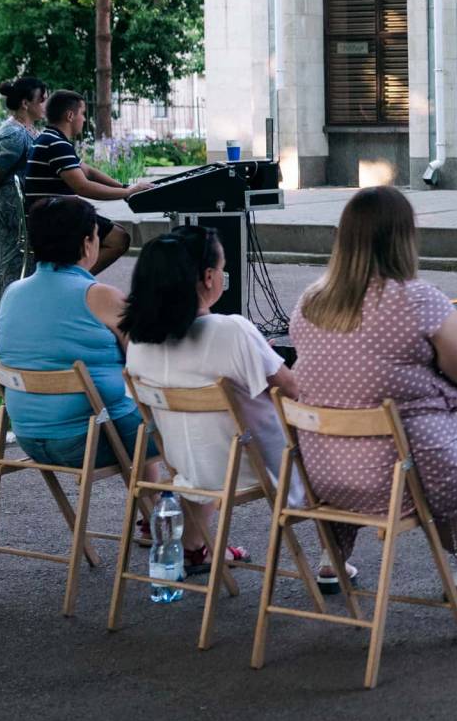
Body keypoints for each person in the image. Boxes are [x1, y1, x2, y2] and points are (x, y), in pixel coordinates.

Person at [289, 186, 457, 637]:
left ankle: (344, 561)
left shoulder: (310, 303)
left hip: (325, 476)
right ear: (403, 238)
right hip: (406, 478)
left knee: (438, 441)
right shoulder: (417, 300)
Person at [0, 197, 205, 560]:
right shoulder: (99, 295)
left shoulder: (13, 292)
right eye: (94, 235)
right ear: (86, 243)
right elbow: (149, 359)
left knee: (129, 413)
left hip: (29, 436)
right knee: (195, 428)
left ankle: (149, 519)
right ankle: (195, 546)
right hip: (88, 441)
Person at [123, 226, 316, 580]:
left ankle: (197, 546)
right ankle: (334, 560)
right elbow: (295, 391)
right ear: (209, 277)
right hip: (257, 467)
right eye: (223, 271)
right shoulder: (232, 330)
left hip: (186, 467)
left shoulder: (137, 340)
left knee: (212, 432)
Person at [21, 89, 154, 275]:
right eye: (82, 114)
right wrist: (127, 193)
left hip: (52, 213)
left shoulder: (52, 139)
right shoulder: (56, 144)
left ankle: (71, 279)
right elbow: (82, 186)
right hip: (53, 218)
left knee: (116, 233)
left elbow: (88, 171)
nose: (84, 119)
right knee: (118, 239)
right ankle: (73, 282)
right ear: (70, 115)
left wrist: (124, 187)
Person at [0, 76, 47, 306]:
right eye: (42, 100)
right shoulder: (14, 134)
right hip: (9, 212)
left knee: (23, 266)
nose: (45, 104)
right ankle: (6, 322)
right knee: (10, 267)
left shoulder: (27, 129)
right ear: (26, 103)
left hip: (21, 211)